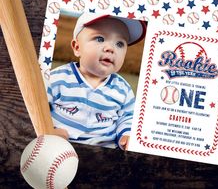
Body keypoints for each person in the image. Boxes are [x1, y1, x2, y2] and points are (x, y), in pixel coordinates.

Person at [47, 13, 146, 150]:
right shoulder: (58, 78)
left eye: (119, 44)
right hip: (61, 146)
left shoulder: (123, 89)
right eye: (99, 39)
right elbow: (39, 107)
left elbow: (127, 117)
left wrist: (125, 135)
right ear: (77, 48)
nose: (110, 49)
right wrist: (50, 129)